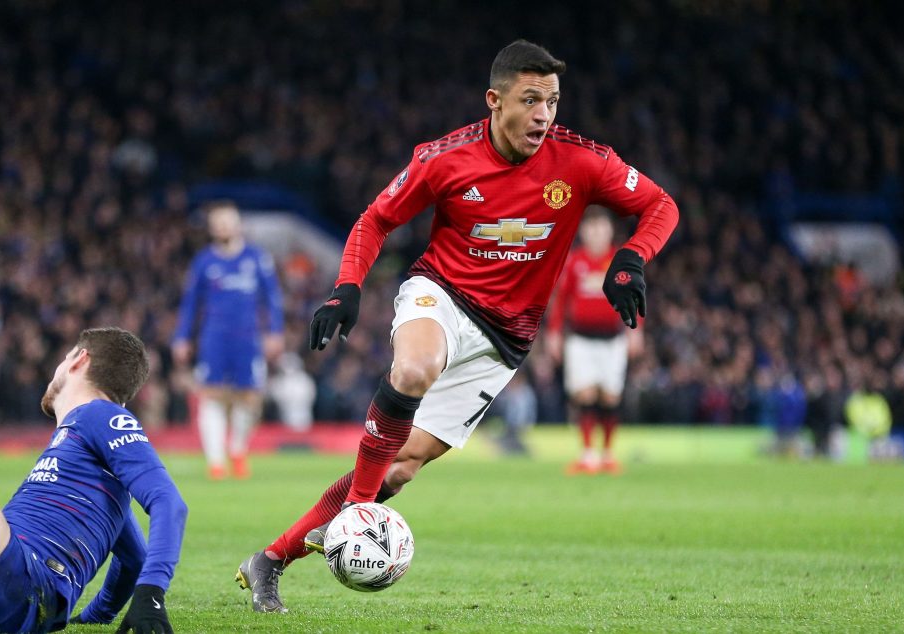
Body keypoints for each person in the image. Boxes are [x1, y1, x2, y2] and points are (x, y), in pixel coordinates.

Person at [235, 39, 678, 613]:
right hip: (440, 294)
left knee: (400, 469)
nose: (545, 114)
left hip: (504, 342)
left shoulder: (582, 161)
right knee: (414, 368)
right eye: (531, 99)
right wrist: (347, 285)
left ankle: (269, 560)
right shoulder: (444, 158)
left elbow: (661, 205)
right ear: (495, 100)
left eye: (554, 100)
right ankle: (360, 513)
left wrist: (633, 256)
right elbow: (375, 220)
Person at [0, 327, 188, 633]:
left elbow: (168, 501)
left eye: (64, 358)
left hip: (21, 582)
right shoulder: (88, 463)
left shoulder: (101, 414)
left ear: (79, 360)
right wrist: (97, 614)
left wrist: (151, 593)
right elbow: (135, 558)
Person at [172, 200, 285, 479]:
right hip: (214, 338)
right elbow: (190, 304)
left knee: (250, 399)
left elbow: (272, 299)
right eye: (218, 222)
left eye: (227, 221)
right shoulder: (204, 262)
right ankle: (216, 462)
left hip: (248, 339)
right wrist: (182, 337)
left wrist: (275, 331)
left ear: (238, 225)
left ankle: (237, 448)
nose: (223, 226)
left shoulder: (257, 258)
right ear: (211, 228)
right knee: (212, 396)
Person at [546, 207, 644, 475]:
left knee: (610, 397)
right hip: (580, 339)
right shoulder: (574, 262)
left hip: (613, 339)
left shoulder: (620, 261)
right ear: (584, 232)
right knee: (584, 394)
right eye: (591, 228)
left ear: (609, 231)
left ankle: (608, 454)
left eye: (601, 228)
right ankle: (588, 455)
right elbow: (560, 301)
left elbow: (634, 298)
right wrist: (554, 334)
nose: (596, 233)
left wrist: (636, 330)